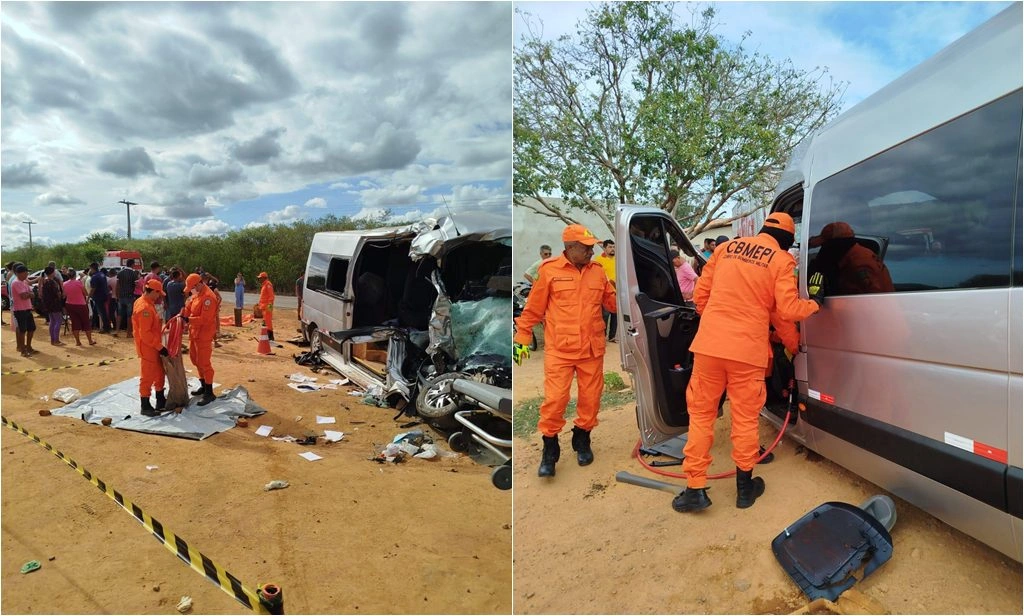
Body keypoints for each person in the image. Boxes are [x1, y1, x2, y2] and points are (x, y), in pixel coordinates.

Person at [674, 212, 825, 513]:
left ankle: (694, 489)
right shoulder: (781, 261)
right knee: (744, 418)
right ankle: (745, 489)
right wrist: (815, 305)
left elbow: (701, 296)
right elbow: (787, 310)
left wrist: (718, 323)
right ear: (786, 241)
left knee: (702, 415)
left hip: (709, 346)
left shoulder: (725, 248)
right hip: (747, 353)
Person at [513, 224, 616, 477]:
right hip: (560, 349)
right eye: (587, 247)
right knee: (555, 400)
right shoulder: (549, 271)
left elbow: (613, 303)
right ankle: (550, 449)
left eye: (593, 247)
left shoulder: (598, 272)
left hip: (592, 349)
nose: (592, 251)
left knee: (591, 400)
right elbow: (534, 308)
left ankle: (582, 439)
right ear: (571, 248)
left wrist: (633, 292)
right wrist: (522, 337)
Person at [807, 222, 894, 295]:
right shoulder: (851, 257)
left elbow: (876, 298)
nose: (823, 251)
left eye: (824, 245)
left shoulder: (861, 263)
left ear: (835, 244)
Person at [133, 279, 169, 416]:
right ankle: (145, 405)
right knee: (147, 376)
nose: (159, 296)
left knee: (159, 372)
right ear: (153, 291)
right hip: (148, 347)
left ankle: (160, 400)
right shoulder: (144, 308)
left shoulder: (148, 303)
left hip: (154, 345)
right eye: (158, 293)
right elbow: (145, 334)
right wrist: (160, 347)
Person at [182, 273, 218, 406]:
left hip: (204, 335)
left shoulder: (209, 298)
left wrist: (188, 319)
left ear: (198, 284)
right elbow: (189, 307)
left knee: (204, 363)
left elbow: (205, 319)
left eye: (192, 287)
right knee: (195, 360)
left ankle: (209, 392)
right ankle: (203, 384)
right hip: (195, 333)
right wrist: (182, 314)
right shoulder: (196, 295)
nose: (191, 290)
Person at [593, 239, 618, 341]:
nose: (612, 249)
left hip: (617, 291)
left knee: (615, 314)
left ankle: (612, 336)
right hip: (605, 292)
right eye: (610, 247)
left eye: (613, 247)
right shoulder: (598, 260)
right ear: (604, 248)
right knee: (605, 314)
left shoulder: (618, 260)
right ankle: (602, 336)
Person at [63, 268, 95, 346]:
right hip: (80, 304)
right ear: (75, 275)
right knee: (86, 322)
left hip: (69, 304)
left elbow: (64, 295)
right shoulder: (79, 283)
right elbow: (86, 293)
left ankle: (78, 341)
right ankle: (90, 340)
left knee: (75, 323)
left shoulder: (64, 284)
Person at [11, 264, 37, 357]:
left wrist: (29, 294)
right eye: (26, 273)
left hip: (27, 308)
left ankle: (28, 347)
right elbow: (24, 296)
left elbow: (31, 294)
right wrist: (29, 294)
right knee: (23, 330)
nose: (27, 275)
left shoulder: (23, 282)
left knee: (31, 328)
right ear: (20, 273)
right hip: (20, 310)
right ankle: (23, 350)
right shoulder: (16, 282)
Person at [40, 266, 65, 346]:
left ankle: (52, 340)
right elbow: (57, 293)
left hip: (48, 304)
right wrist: (61, 296)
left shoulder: (44, 281)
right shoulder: (52, 282)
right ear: (52, 273)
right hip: (55, 304)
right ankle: (56, 340)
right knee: (58, 321)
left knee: (52, 321)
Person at [115, 260, 140, 337]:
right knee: (129, 315)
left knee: (119, 314)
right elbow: (136, 285)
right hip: (130, 296)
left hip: (121, 296)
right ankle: (129, 333)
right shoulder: (134, 274)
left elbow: (117, 285)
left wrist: (117, 295)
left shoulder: (120, 273)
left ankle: (117, 331)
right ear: (132, 264)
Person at [88, 263, 112, 333]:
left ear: (92, 268)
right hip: (104, 295)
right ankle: (98, 325)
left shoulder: (94, 277)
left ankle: (106, 327)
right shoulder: (102, 274)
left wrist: (88, 297)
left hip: (98, 296)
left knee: (102, 312)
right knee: (101, 311)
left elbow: (93, 289)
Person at [256, 271, 276, 341]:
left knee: (268, 321)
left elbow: (271, 296)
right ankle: (266, 335)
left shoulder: (268, 285)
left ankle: (270, 336)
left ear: (264, 278)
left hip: (267, 307)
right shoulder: (264, 285)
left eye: (260, 278)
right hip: (264, 307)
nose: (259, 279)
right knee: (265, 321)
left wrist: (269, 307)